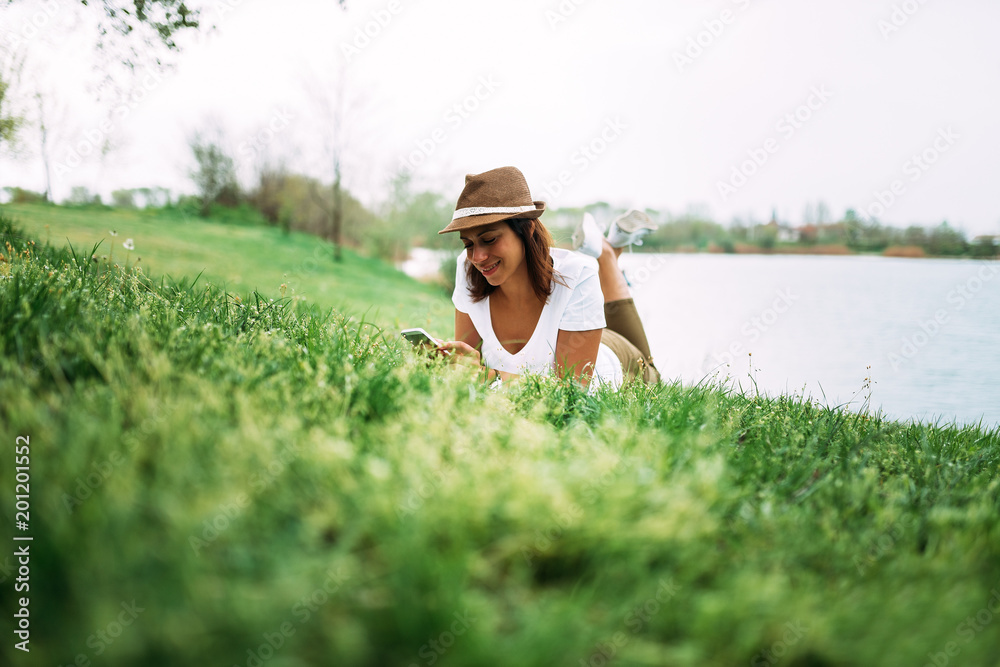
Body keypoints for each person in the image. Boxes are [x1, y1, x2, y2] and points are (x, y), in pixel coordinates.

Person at [435, 166, 661, 392]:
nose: (478, 257)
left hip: (614, 355)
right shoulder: (468, 269)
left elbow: (571, 391)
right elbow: (468, 366)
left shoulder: (577, 274)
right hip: (578, 332)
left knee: (650, 367)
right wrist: (457, 366)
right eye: (468, 244)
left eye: (490, 239)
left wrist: (488, 377)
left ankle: (606, 253)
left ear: (528, 228)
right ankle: (611, 246)